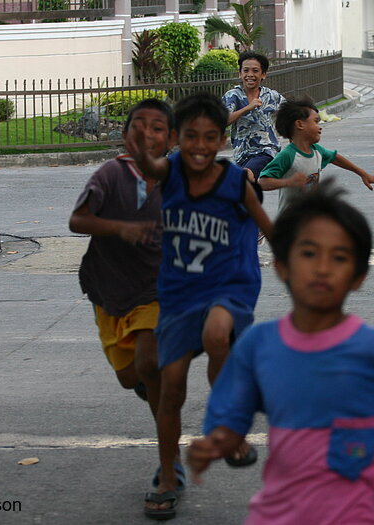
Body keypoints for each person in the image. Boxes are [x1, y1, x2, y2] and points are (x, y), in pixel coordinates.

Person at [187, 181, 374, 525]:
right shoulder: (259, 346)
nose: (322, 268)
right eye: (308, 253)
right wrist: (216, 444)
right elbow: (233, 417)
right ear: (281, 266)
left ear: (358, 276)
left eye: (339, 257)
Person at [129, 92, 274, 520]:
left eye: (210, 138)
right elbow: (150, 167)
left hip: (229, 285)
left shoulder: (234, 181)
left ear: (222, 140)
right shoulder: (169, 171)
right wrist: (139, 144)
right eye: (190, 136)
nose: (199, 146)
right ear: (177, 138)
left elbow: (268, 226)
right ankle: (169, 473)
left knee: (216, 335)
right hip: (179, 293)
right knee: (169, 386)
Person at [69, 98, 173, 509]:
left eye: (158, 128)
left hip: (157, 289)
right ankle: (150, 389)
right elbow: (78, 220)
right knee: (131, 377)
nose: (148, 134)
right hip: (109, 290)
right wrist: (120, 228)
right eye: (139, 126)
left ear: (171, 138)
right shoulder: (110, 174)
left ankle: (168, 475)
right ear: (125, 134)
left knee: (150, 362)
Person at [258, 96, 374, 212]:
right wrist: (289, 182)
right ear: (299, 124)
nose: (320, 127)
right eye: (316, 121)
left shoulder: (317, 151)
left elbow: (335, 158)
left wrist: (363, 174)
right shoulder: (288, 155)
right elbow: (262, 182)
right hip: (291, 223)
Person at [223, 51, 285, 181]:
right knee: (241, 188)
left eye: (255, 71)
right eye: (246, 70)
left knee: (245, 177)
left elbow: (291, 112)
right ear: (240, 74)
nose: (250, 75)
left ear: (263, 75)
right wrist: (247, 108)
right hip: (241, 154)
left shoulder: (271, 96)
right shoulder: (232, 96)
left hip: (266, 151)